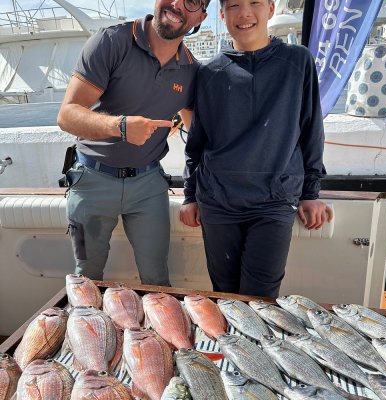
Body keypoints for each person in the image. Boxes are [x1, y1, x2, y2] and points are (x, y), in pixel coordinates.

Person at [180, 0, 333, 298]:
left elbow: (311, 129)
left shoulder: (298, 61)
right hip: (218, 202)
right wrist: (189, 195)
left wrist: (311, 193)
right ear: (223, 14)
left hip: (274, 202)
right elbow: (197, 141)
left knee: (261, 298)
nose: (245, 13)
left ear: (271, 9)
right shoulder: (209, 72)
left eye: (255, 3)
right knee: (224, 295)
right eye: (234, 5)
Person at [57, 0, 209, 284]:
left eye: (191, 1)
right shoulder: (110, 41)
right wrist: (121, 126)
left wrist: (196, 193)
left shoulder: (192, 70)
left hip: (148, 186)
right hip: (90, 181)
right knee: (86, 279)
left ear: (202, 16)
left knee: (158, 280)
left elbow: (199, 139)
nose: (177, 4)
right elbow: (67, 115)